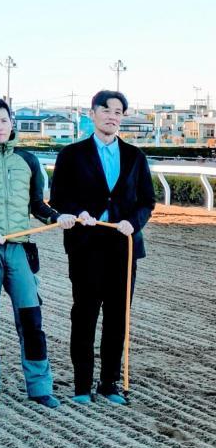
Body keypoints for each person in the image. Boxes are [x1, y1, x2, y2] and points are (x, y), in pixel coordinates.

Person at [0, 98, 76, 408]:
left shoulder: (28, 161)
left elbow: (37, 205)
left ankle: (39, 387)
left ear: (12, 124)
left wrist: (54, 217)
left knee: (31, 321)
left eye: (3, 121)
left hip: (20, 251)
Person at [49, 90, 155, 405]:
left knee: (117, 316)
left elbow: (147, 201)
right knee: (84, 314)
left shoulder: (135, 156)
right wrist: (77, 212)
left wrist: (132, 223)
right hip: (85, 245)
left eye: (119, 112)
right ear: (92, 114)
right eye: (106, 110)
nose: (112, 116)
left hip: (123, 246)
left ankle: (109, 383)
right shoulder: (71, 154)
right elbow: (59, 197)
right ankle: (82, 385)